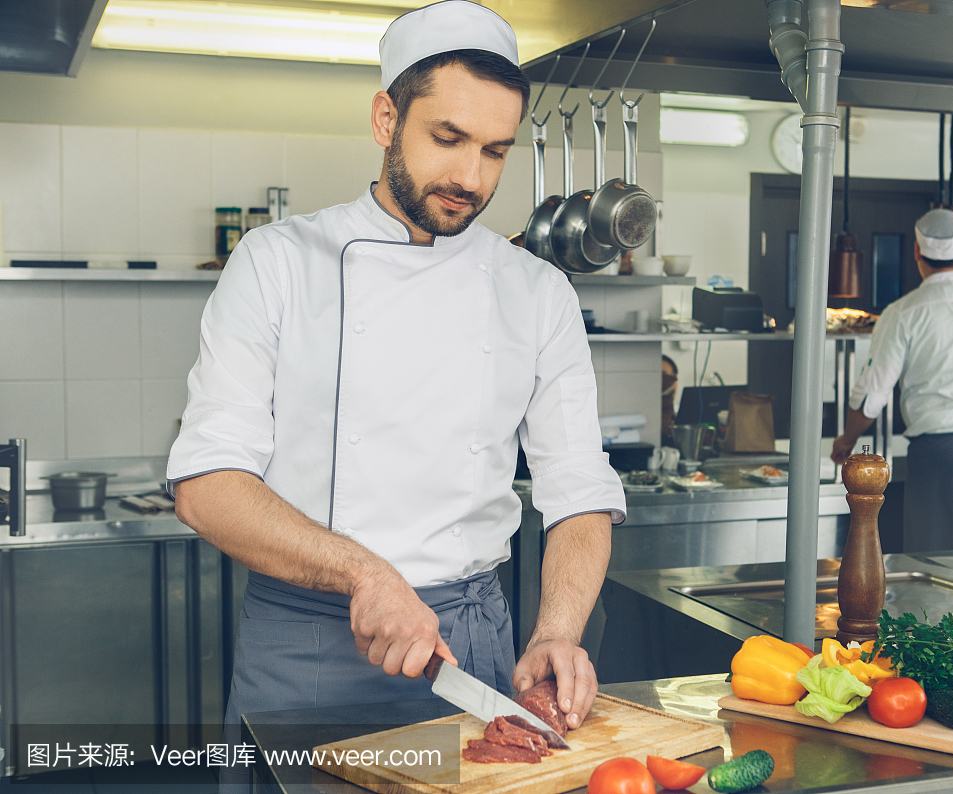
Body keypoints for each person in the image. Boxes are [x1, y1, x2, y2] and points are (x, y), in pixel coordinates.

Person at [166, 2, 625, 788]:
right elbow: (208, 487)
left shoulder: (537, 292)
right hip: (313, 643)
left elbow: (579, 489)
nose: (470, 178)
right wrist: (366, 576)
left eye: (494, 151)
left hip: (474, 645)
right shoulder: (278, 263)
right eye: (447, 139)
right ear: (386, 117)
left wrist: (557, 630)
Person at [831, 209, 953, 552]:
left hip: (944, 452)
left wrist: (847, 440)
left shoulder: (904, 312)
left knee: (941, 567)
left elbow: (872, 394)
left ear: (917, 253)